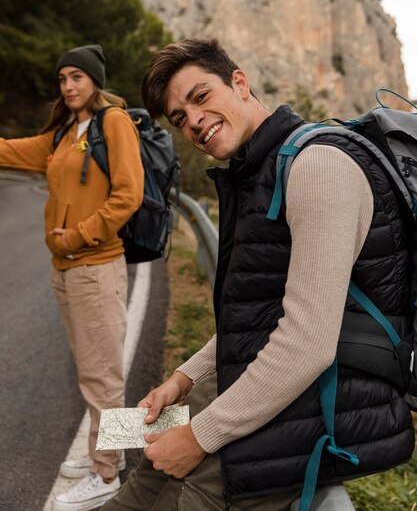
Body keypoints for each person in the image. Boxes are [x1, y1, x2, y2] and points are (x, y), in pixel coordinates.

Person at [102, 37, 414, 511]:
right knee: (143, 480)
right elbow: (264, 313)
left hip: (319, 409)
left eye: (200, 97)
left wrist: (200, 437)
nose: (193, 121)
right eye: (179, 118)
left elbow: (306, 342)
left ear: (240, 83)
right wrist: (183, 381)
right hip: (269, 385)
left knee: (178, 492)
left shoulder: (317, 166)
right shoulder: (259, 173)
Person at [0, 45, 144, 511]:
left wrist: (77, 236)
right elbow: (11, 151)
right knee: (90, 368)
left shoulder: (112, 123)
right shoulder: (65, 131)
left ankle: (108, 472)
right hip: (66, 271)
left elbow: (128, 195)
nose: (68, 86)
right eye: (62, 78)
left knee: (103, 374)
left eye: (77, 76)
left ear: (95, 80)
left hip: (96, 265)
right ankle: (100, 454)